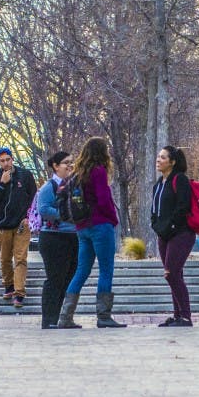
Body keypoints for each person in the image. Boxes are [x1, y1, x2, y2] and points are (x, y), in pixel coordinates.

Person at [57, 137, 126, 329]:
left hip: (82, 228)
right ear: (101, 152)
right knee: (106, 270)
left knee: (82, 271)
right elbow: (104, 200)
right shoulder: (99, 171)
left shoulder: (77, 174)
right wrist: (113, 220)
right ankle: (103, 317)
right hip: (100, 226)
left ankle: (65, 317)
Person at [0, 147, 37, 308]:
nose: (6, 163)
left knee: (20, 258)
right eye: (2, 161)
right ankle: (9, 285)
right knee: (5, 258)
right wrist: (2, 183)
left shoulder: (25, 175)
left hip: (22, 224)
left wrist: (29, 218)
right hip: (3, 225)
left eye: (8, 159)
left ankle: (19, 292)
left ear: (12, 159)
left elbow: (34, 197)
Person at [152, 145, 197, 327]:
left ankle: (185, 316)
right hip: (163, 235)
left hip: (181, 233)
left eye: (163, 158)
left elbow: (182, 207)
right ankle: (177, 315)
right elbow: (155, 210)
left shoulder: (180, 180)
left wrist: (170, 225)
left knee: (171, 274)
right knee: (175, 274)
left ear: (172, 162)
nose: (158, 160)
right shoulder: (158, 184)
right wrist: (155, 224)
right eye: (158, 157)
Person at [36, 151, 78, 329]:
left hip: (72, 237)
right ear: (55, 166)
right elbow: (44, 209)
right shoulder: (49, 187)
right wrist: (65, 215)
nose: (69, 166)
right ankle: (49, 319)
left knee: (69, 278)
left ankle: (63, 318)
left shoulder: (74, 186)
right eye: (65, 163)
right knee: (55, 279)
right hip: (53, 239)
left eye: (71, 162)